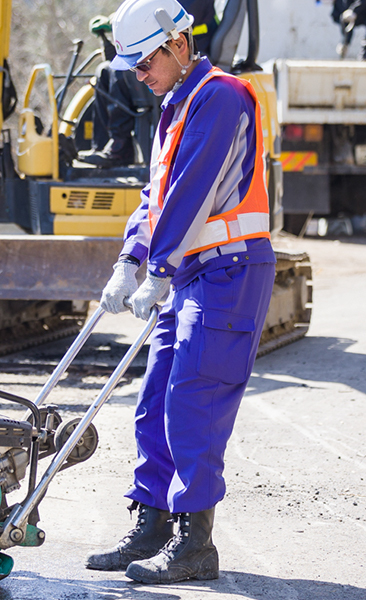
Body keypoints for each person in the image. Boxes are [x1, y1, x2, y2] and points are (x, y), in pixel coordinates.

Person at [85, 0, 276, 585]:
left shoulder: (220, 96)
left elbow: (192, 191)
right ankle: (152, 524)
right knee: (155, 402)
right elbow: (155, 196)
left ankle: (196, 545)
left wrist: (158, 268)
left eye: (144, 62)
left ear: (177, 44)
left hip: (229, 271)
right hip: (194, 272)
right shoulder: (174, 104)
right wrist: (129, 260)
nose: (138, 75)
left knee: (194, 399)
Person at [79, 0, 216, 168]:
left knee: (118, 74)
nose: (139, 76)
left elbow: (165, 16)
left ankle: (120, 148)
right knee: (104, 71)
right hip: (167, 47)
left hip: (191, 49)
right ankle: (110, 145)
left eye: (143, 66)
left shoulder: (220, 94)